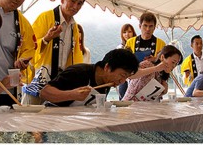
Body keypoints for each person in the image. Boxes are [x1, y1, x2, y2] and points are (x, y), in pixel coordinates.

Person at [22, 0, 86, 105]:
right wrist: (46, 39)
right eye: (73, 1)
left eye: (79, 4)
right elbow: (29, 48)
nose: (75, 7)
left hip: (60, 83)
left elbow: (76, 57)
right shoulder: (45, 17)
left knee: (53, 119)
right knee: (31, 116)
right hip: (40, 79)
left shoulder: (74, 27)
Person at [39, 48, 168, 107]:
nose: (122, 81)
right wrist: (72, 94)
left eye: (126, 78)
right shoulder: (78, 72)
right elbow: (44, 93)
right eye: (122, 75)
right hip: (54, 120)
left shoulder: (107, 82)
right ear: (107, 67)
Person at [121, 12, 166, 99]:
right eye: (145, 25)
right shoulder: (130, 42)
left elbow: (165, 67)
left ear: (154, 27)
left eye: (150, 26)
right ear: (140, 26)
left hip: (153, 85)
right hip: (133, 82)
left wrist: (156, 59)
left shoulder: (161, 44)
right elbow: (124, 64)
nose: (147, 29)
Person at [116, 23, 137, 99]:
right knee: (122, 100)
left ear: (133, 33)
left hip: (136, 78)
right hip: (123, 79)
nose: (127, 34)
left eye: (129, 32)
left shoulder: (137, 47)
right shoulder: (119, 48)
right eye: (124, 32)